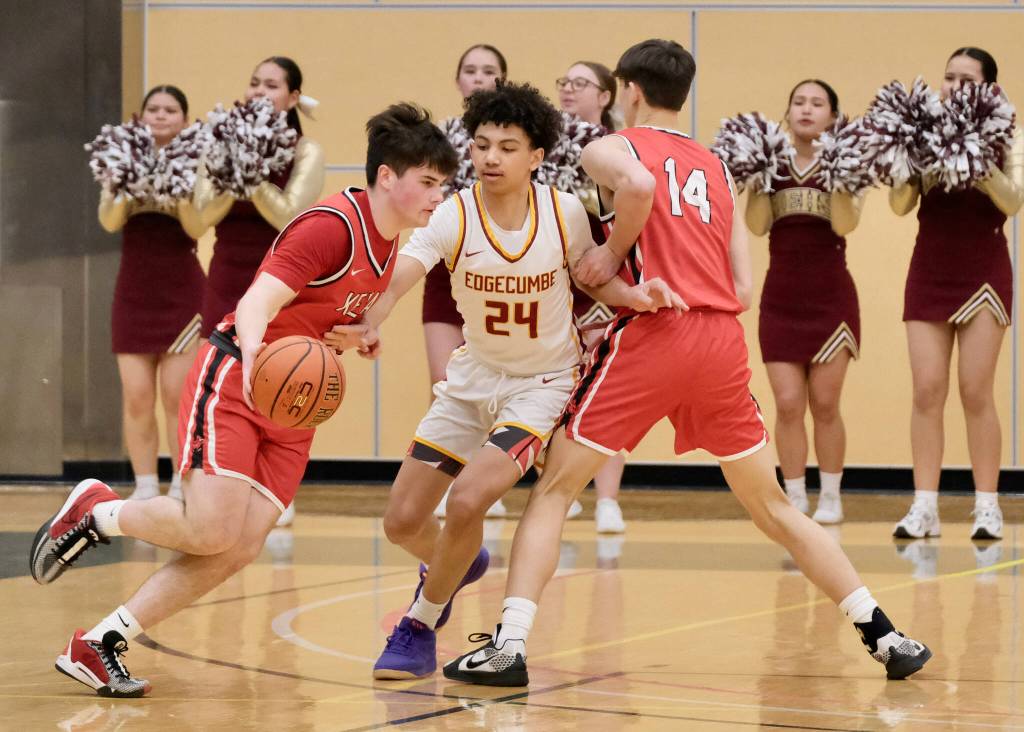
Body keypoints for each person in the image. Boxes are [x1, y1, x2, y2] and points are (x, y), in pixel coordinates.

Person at [443, 39, 931, 687]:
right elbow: (744, 287)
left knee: (555, 488)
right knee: (774, 506)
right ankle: (885, 634)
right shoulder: (717, 166)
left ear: (628, 91)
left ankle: (508, 646)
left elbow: (640, 185)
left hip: (655, 332)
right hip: (720, 340)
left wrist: (611, 253)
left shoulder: (614, 147)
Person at [29, 103, 458, 698]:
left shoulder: (390, 243)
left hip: (293, 405)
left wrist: (361, 335)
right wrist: (256, 355)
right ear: (388, 176)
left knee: (241, 545)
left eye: (443, 184)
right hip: (239, 374)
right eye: (429, 182)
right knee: (210, 529)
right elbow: (257, 301)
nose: (439, 195)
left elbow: (330, 312)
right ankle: (98, 512)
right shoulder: (330, 225)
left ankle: (102, 641)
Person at [325, 82, 681, 680]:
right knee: (402, 522)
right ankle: (460, 560)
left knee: (469, 499)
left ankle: (418, 625)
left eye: (507, 147)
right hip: (471, 380)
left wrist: (636, 295)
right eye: (482, 145)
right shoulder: (454, 213)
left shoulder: (562, 211)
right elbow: (402, 273)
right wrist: (370, 320)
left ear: (536, 156)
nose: (490, 158)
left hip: (541, 385)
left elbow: (592, 278)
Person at [890, 47, 1023, 541]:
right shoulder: (918, 132)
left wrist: (976, 155)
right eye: (949, 77)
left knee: (975, 390)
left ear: (990, 88)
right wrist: (911, 156)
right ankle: (924, 506)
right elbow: (900, 204)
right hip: (930, 269)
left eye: (967, 79)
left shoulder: (1010, 133)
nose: (954, 86)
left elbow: (1013, 201)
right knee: (927, 389)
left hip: (983, 272)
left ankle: (987, 506)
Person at [194, 55, 325, 526]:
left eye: (271, 85)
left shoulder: (306, 151)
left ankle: (273, 488)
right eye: (254, 83)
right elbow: (200, 216)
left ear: (293, 97)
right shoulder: (220, 144)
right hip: (226, 274)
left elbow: (290, 213)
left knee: (280, 375)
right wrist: (235, 165)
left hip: (280, 280)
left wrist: (251, 174)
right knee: (218, 377)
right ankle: (209, 479)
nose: (259, 92)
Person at [745, 80, 864, 524]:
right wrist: (759, 177)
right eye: (798, 102)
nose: (806, 110)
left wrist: (839, 174)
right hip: (782, 300)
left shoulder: (847, 161)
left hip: (831, 299)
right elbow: (757, 225)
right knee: (789, 402)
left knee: (826, 403)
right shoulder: (770, 164)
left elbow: (845, 224)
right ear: (788, 111)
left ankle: (831, 494)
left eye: (817, 104)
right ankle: (794, 495)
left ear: (833, 116)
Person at [98, 85, 207, 502]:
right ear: (141, 117)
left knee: (177, 397)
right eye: (153, 109)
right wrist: (125, 182)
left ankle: (181, 484)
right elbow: (109, 221)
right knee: (137, 397)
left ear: (184, 119)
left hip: (182, 294)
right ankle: (144, 486)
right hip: (133, 293)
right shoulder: (120, 156)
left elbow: (198, 226)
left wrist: (172, 185)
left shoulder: (199, 160)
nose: (161, 115)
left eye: (170, 109)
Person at [431, 44, 510, 520]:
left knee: (497, 388)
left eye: (489, 71)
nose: (478, 78)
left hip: (501, 276)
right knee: (445, 384)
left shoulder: (517, 145)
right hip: (446, 275)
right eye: (470, 70)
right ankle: (449, 482)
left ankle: (487, 488)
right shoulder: (440, 139)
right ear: (458, 80)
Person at [555, 59, 627, 532]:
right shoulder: (541, 149)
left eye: (581, 84)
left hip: (600, 280)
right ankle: (563, 488)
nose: (569, 90)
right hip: (554, 284)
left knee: (607, 389)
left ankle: (607, 499)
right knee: (557, 389)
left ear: (605, 96)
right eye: (564, 82)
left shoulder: (618, 149)